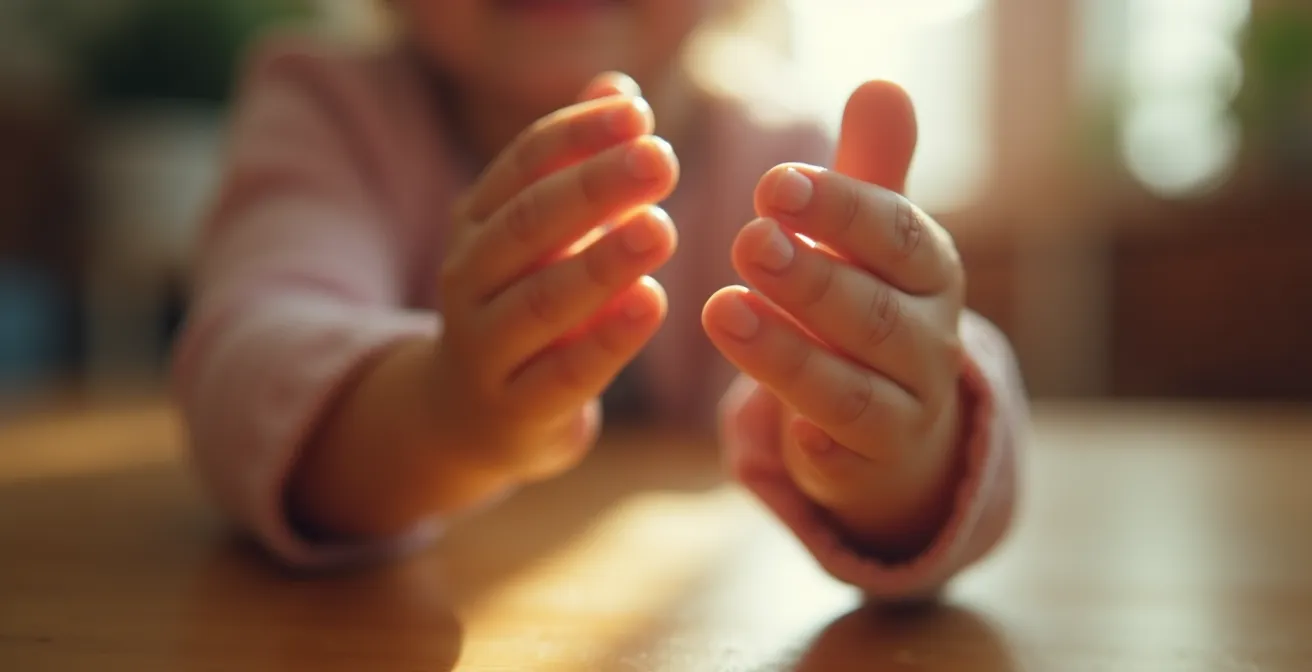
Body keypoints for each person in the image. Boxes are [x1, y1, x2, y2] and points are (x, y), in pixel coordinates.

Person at [173, 0, 1028, 602]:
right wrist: (442, 413)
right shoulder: (327, 108)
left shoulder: (790, 159)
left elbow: (922, 388)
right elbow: (245, 362)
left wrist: (900, 454)